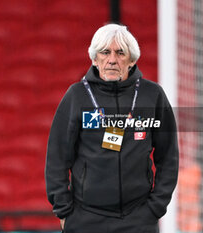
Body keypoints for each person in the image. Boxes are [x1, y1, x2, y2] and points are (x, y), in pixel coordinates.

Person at [45, 24, 179, 233]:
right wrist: (64, 210)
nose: (112, 60)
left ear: (132, 59)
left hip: (138, 218)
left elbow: (168, 156)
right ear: (94, 59)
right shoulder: (76, 96)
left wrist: (155, 207)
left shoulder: (152, 96)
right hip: (85, 218)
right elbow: (57, 157)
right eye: (105, 52)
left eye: (120, 53)